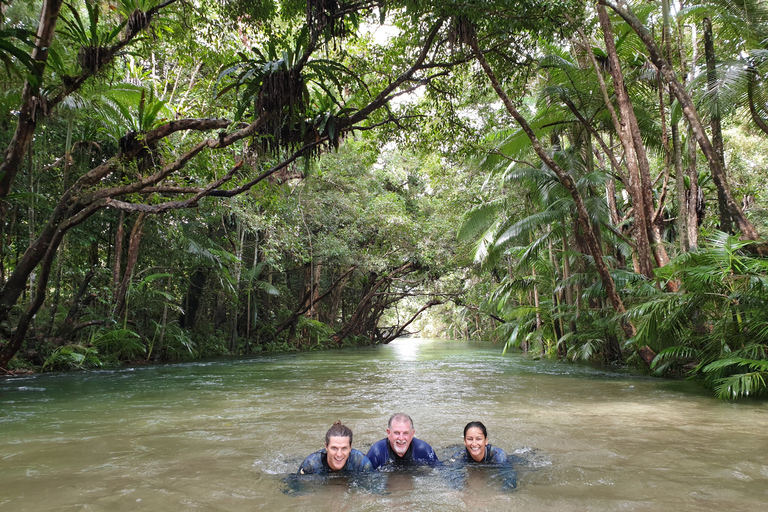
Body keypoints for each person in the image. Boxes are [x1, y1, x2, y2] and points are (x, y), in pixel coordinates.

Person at [450, 421, 516, 489]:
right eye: (470, 439)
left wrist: (503, 494)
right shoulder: (459, 456)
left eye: (478, 439)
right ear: (465, 441)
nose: (474, 443)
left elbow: (510, 479)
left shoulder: (499, 456)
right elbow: (451, 475)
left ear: (486, 441)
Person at [366, 413, 438, 469]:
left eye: (406, 433)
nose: (401, 438)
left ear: (412, 434)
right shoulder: (376, 453)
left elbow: (440, 471)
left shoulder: (424, 450)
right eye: (396, 433)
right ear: (388, 433)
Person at [298, 420, 373, 474]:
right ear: (326, 447)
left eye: (344, 448)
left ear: (350, 447)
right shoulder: (311, 465)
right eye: (334, 448)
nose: (339, 454)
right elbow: (295, 491)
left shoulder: (361, 463)